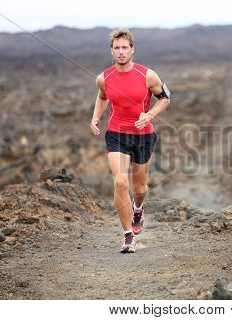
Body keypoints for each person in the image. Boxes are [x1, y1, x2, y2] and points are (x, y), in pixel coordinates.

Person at [90, 28, 170, 253]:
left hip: (143, 136)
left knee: (140, 188)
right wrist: (96, 117)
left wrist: (149, 115)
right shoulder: (104, 78)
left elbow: (165, 99)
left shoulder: (148, 75)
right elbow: (102, 97)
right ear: (111, 51)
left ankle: (138, 207)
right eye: (117, 48)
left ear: (132, 49)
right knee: (120, 182)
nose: (121, 51)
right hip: (116, 134)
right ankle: (128, 236)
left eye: (125, 47)